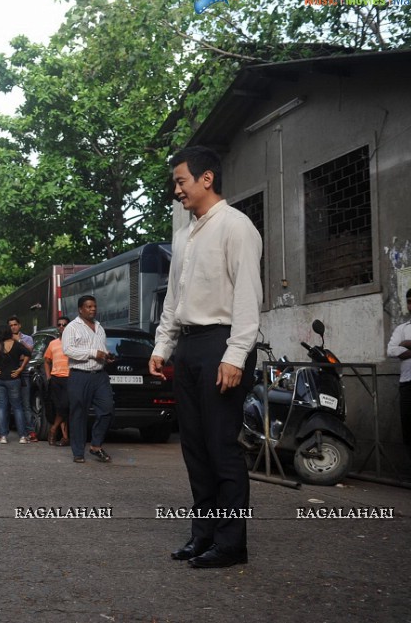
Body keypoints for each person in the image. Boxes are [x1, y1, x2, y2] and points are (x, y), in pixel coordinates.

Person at [148, 146, 262, 569]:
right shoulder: (184, 235)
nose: (176, 190)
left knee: (222, 448)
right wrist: (163, 347)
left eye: (181, 181)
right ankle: (204, 535)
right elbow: (174, 300)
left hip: (222, 344)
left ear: (206, 179)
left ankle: (232, 544)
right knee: (194, 447)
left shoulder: (237, 227)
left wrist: (236, 356)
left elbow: (249, 296)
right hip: (190, 347)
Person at [62, 296, 115, 464]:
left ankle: (96, 445)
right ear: (80, 309)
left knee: (107, 409)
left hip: (99, 376)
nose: (93, 309)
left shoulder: (99, 327)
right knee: (78, 414)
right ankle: (78, 452)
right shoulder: (72, 327)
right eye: (88, 306)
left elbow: (102, 350)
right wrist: (93, 353)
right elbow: (68, 350)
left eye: (94, 306)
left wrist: (107, 356)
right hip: (79, 375)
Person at [387, 286, 411, 488]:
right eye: (410, 301)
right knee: (410, 432)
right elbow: (393, 350)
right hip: (407, 384)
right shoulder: (402, 328)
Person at [8, 316, 38, 441]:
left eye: (15, 324)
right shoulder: (7, 339)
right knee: (11, 403)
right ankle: (11, 431)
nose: (13, 327)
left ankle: (30, 431)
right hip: (10, 371)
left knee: (26, 403)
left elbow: (29, 351)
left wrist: (19, 341)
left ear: (19, 325)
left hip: (24, 370)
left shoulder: (27, 338)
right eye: (10, 325)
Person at [44, 316, 72, 446]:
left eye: (64, 325)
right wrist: (48, 376)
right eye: (59, 324)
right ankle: (65, 437)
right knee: (59, 408)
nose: (61, 327)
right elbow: (46, 360)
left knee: (64, 406)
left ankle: (53, 429)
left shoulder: (73, 343)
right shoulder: (52, 343)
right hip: (55, 379)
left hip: (69, 378)